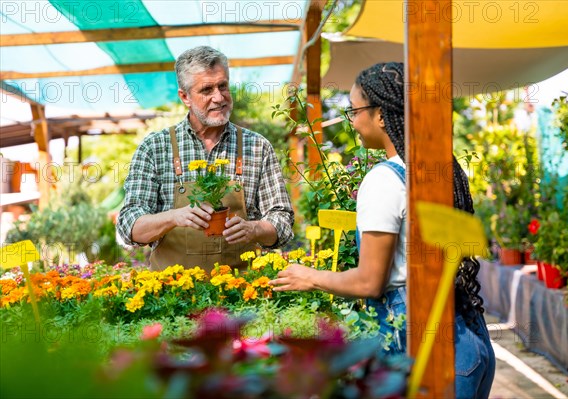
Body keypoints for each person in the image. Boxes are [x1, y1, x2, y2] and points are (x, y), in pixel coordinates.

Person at [270, 62, 495, 398]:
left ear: (379, 115)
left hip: (418, 347)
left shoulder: (383, 180)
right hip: (468, 341)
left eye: (354, 111)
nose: (353, 123)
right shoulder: (435, 170)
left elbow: (369, 281)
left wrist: (310, 277)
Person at [117, 46, 294, 271]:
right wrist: (173, 217)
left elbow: (283, 222)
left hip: (242, 295)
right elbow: (129, 227)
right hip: (171, 296)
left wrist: (254, 229)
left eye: (223, 86)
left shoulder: (257, 147)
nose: (219, 97)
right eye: (206, 90)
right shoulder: (155, 147)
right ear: (185, 96)